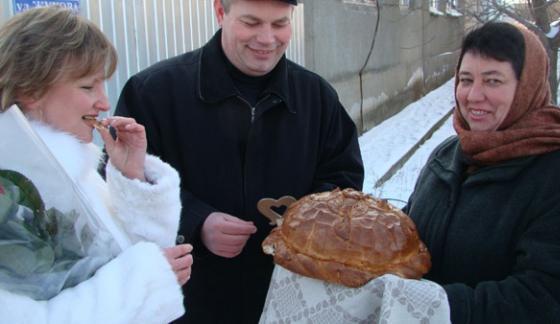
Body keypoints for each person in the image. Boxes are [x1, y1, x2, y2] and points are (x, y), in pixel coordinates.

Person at [114, 0, 364, 322]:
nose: (267, 38)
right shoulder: (153, 92)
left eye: (279, 24)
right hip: (193, 302)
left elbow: (344, 177)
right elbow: (124, 184)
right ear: (220, 12)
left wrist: (304, 224)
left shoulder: (316, 96)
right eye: (251, 22)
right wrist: (195, 221)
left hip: (290, 299)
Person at [0, 6, 192, 323]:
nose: (104, 102)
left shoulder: (72, 168)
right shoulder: (11, 187)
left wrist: (132, 175)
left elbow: (131, 257)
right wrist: (148, 280)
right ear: (30, 90)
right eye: (88, 86)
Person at [404, 22, 560, 323]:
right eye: (466, 79)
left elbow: (550, 296)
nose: (473, 95)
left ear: (527, 85)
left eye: (493, 81)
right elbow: (406, 233)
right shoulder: (447, 154)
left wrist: (434, 307)